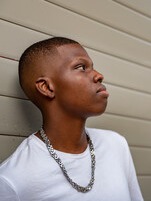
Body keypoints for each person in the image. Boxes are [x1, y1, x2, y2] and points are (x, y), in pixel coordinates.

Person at [0, 37, 143, 200]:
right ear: (46, 87)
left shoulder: (116, 144)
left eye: (92, 67)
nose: (99, 76)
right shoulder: (13, 181)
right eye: (81, 67)